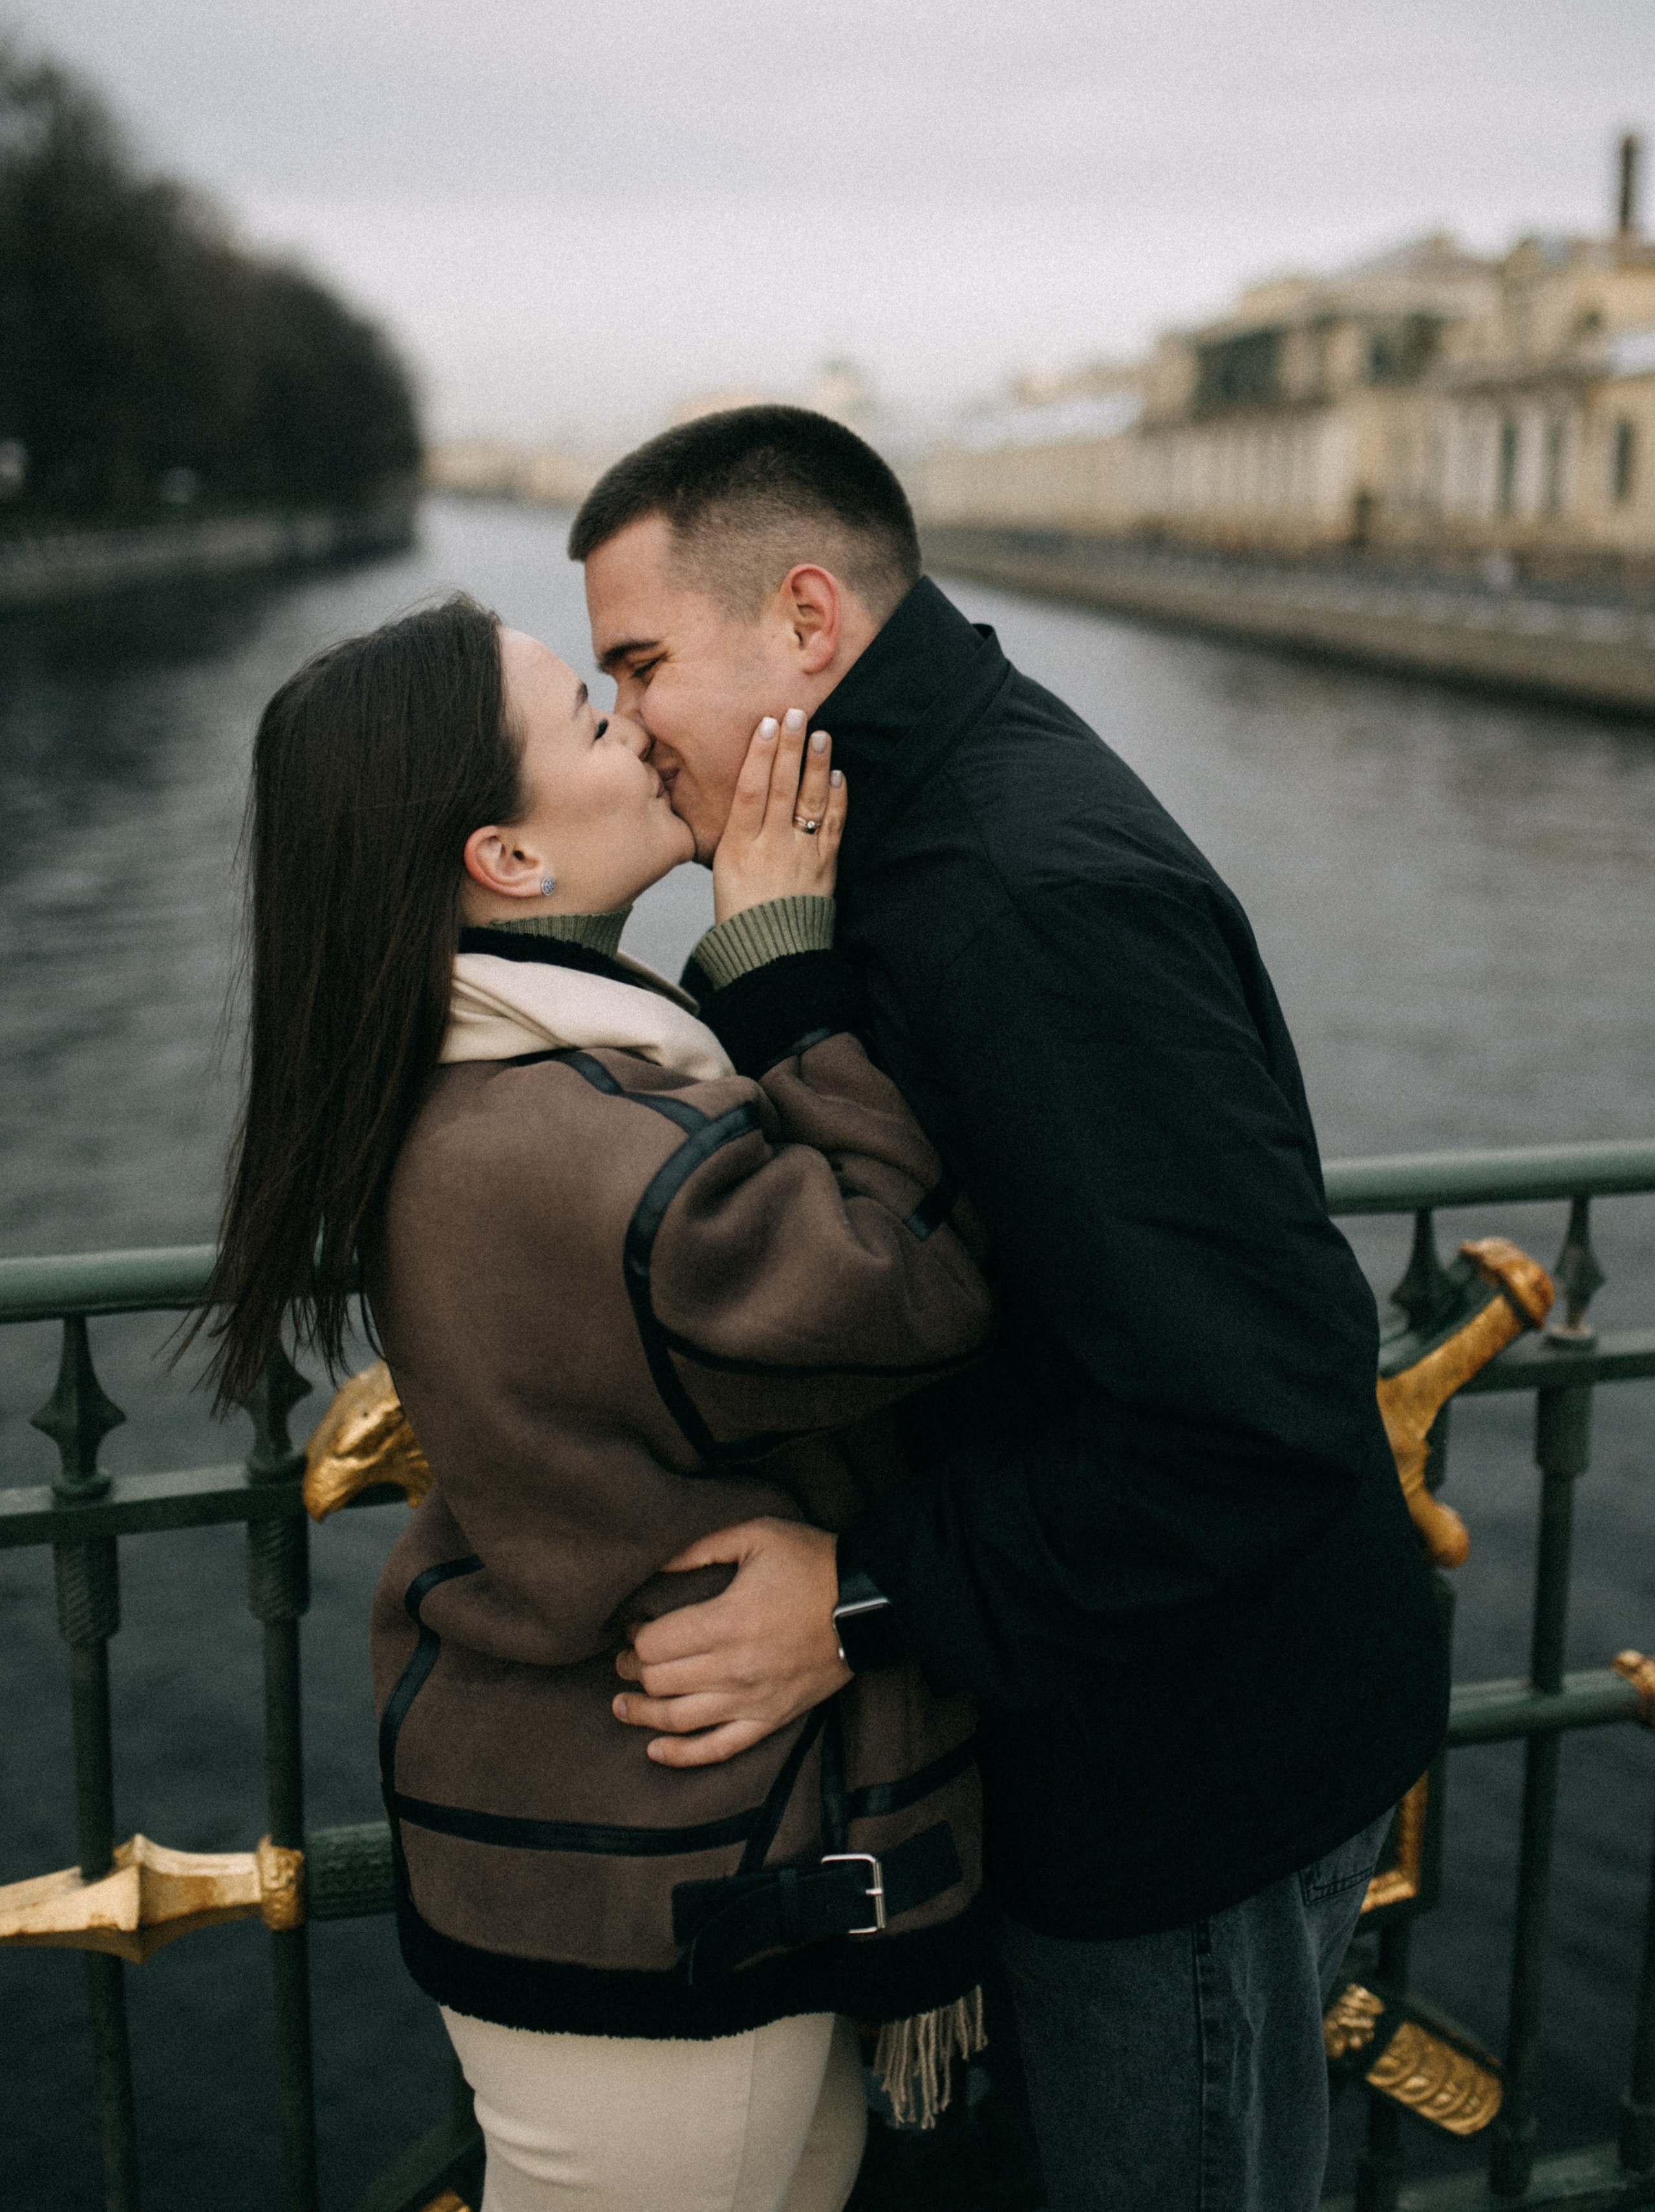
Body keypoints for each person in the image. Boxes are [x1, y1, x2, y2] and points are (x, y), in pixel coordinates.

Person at [571, 406, 1453, 2212]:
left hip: (1181, 1779)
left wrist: (863, 1598)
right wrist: (777, 981)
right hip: (1132, 1724)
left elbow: (1250, 1417)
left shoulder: (1017, 897)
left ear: (804, 620)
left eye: (639, 663)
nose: (626, 721)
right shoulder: (909, 831)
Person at [198, 593, 998, 2212]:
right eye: (587, 715)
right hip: (660, 1869)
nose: (637, 727)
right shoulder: (559, 1141)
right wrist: (786, 976)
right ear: (504, 858)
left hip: (621, 1840)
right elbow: (909, 1282)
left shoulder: (498, 1079)